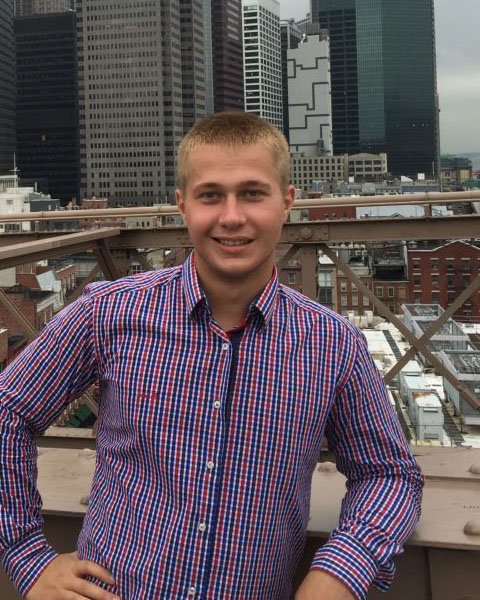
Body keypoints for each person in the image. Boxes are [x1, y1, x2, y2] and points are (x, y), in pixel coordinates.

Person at [0, 111, 423, 600]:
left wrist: (340, 572)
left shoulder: (333, 344)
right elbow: (8, 410)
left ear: (287, 202)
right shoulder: (108, 313)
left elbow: (389, 474)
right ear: (183, 205)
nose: (232, 217)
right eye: (210, 195)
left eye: (253, 193)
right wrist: (28, 556)